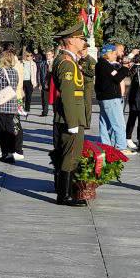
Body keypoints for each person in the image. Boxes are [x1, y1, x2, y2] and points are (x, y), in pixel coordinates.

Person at [49, 23, 90, 206]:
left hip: (69, 116)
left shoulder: (68, 60)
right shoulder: (67, 63)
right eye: (81, 39)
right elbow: (67, 94)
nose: (83, 42)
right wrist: (73, 122)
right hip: (70, 118)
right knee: (70, 155)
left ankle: (64, 189)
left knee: (66, 154)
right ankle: (64, 195)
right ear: (71, 40)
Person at [0, 48, 24, 162]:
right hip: (12, 105)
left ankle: (5, 153)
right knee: (10, 130)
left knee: (1, 131)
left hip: (1, 106)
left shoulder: (1, 71)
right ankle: (11, 152)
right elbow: (16, 85)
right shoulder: (14, 71)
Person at [94, 43, 128, 149]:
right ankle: (121, 146)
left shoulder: (101, 64)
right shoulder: (104, 65)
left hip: (105, 97)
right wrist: (126, 68)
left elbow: (114, 76)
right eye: (114, 53)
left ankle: (106, 146)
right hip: (110, 98)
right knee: (118, 123)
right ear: (108, 54)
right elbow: (117, 78)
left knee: (105, 123)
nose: (115, 55)